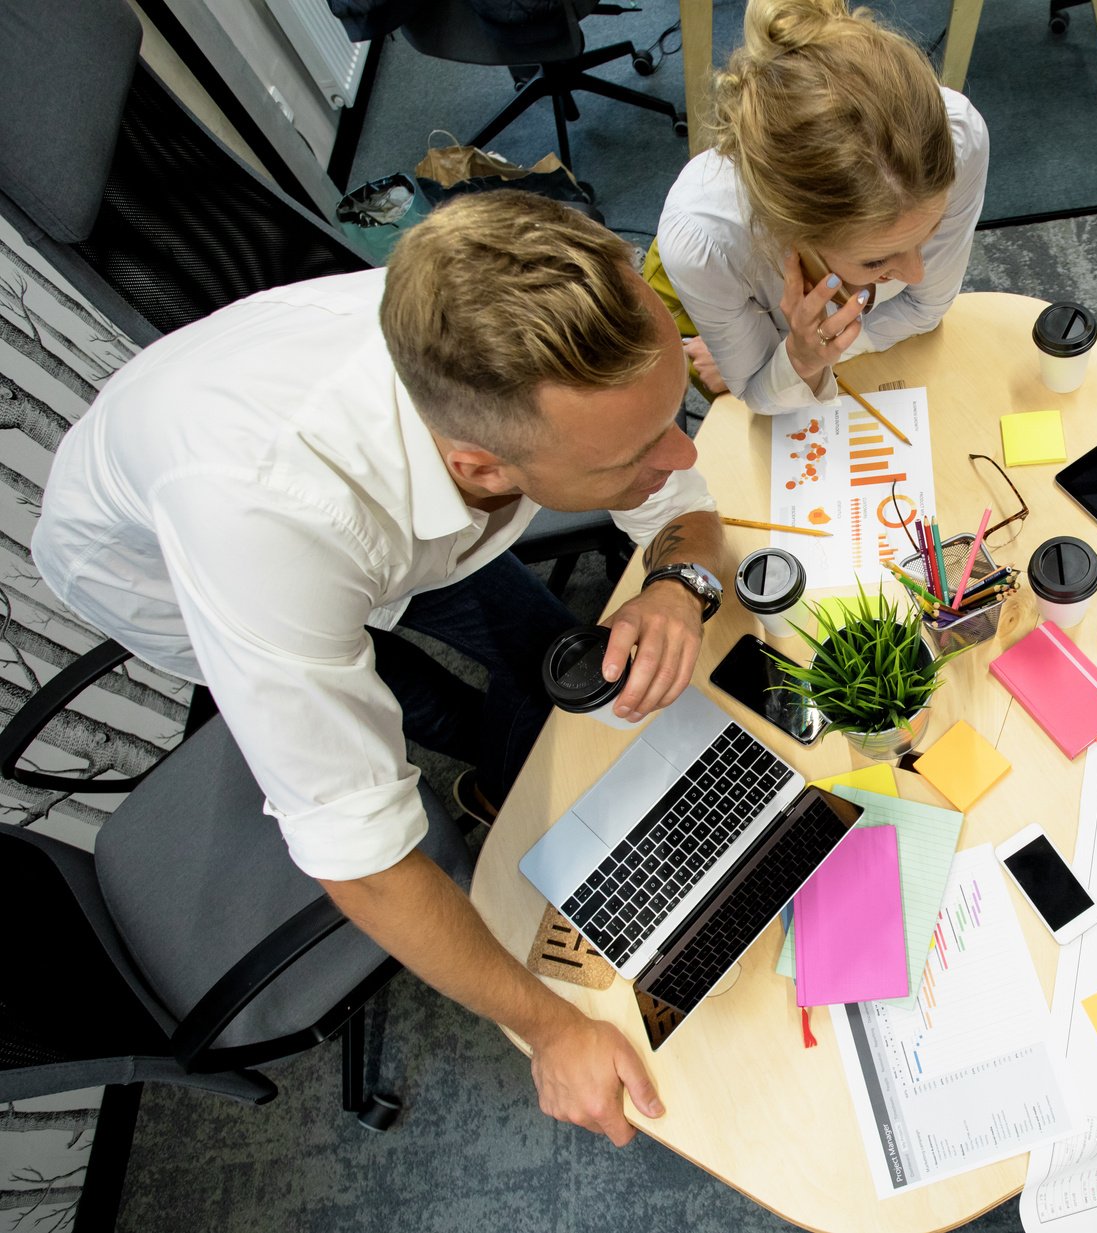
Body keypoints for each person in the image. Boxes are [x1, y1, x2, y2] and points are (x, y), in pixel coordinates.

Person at [33, 191, 734, 1145]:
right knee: (403, 711)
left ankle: (501, 779)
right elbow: (360, 859)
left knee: (540, 665)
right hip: (171, 563)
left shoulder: (491, 323)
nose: (684, 450)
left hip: (377, 523)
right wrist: (549, 1024)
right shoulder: (264, 531)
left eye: (668, 416)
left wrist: (677, 582)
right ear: (483, 468)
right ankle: (484, 777)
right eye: (635, 456)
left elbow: (675, 498)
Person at [648, 0, 990, 413]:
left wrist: (791, 359)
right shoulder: (705, 243)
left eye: (929, 233)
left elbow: (926, 307)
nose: (918, 272)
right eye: (876, 259)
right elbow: (759, 398)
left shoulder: (957, 139)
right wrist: (801, 359)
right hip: (712, 281)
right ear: (790, 233)